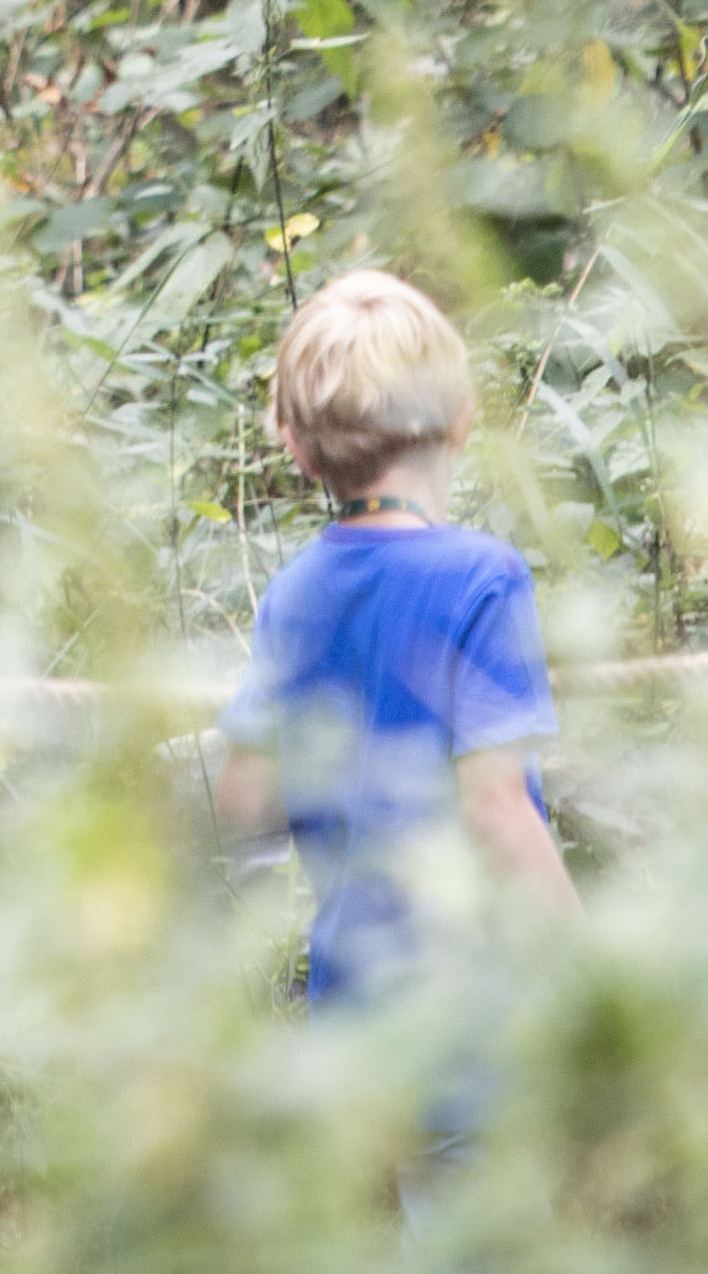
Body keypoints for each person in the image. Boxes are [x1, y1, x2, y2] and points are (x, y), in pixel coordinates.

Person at [214, 269, 574, 1005]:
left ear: (298, 449)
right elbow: (496, 804)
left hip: (349, 1034)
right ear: (462, 418)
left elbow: (244, 798)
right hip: (476, 1037)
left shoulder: (293, 592)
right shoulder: (482, 577)